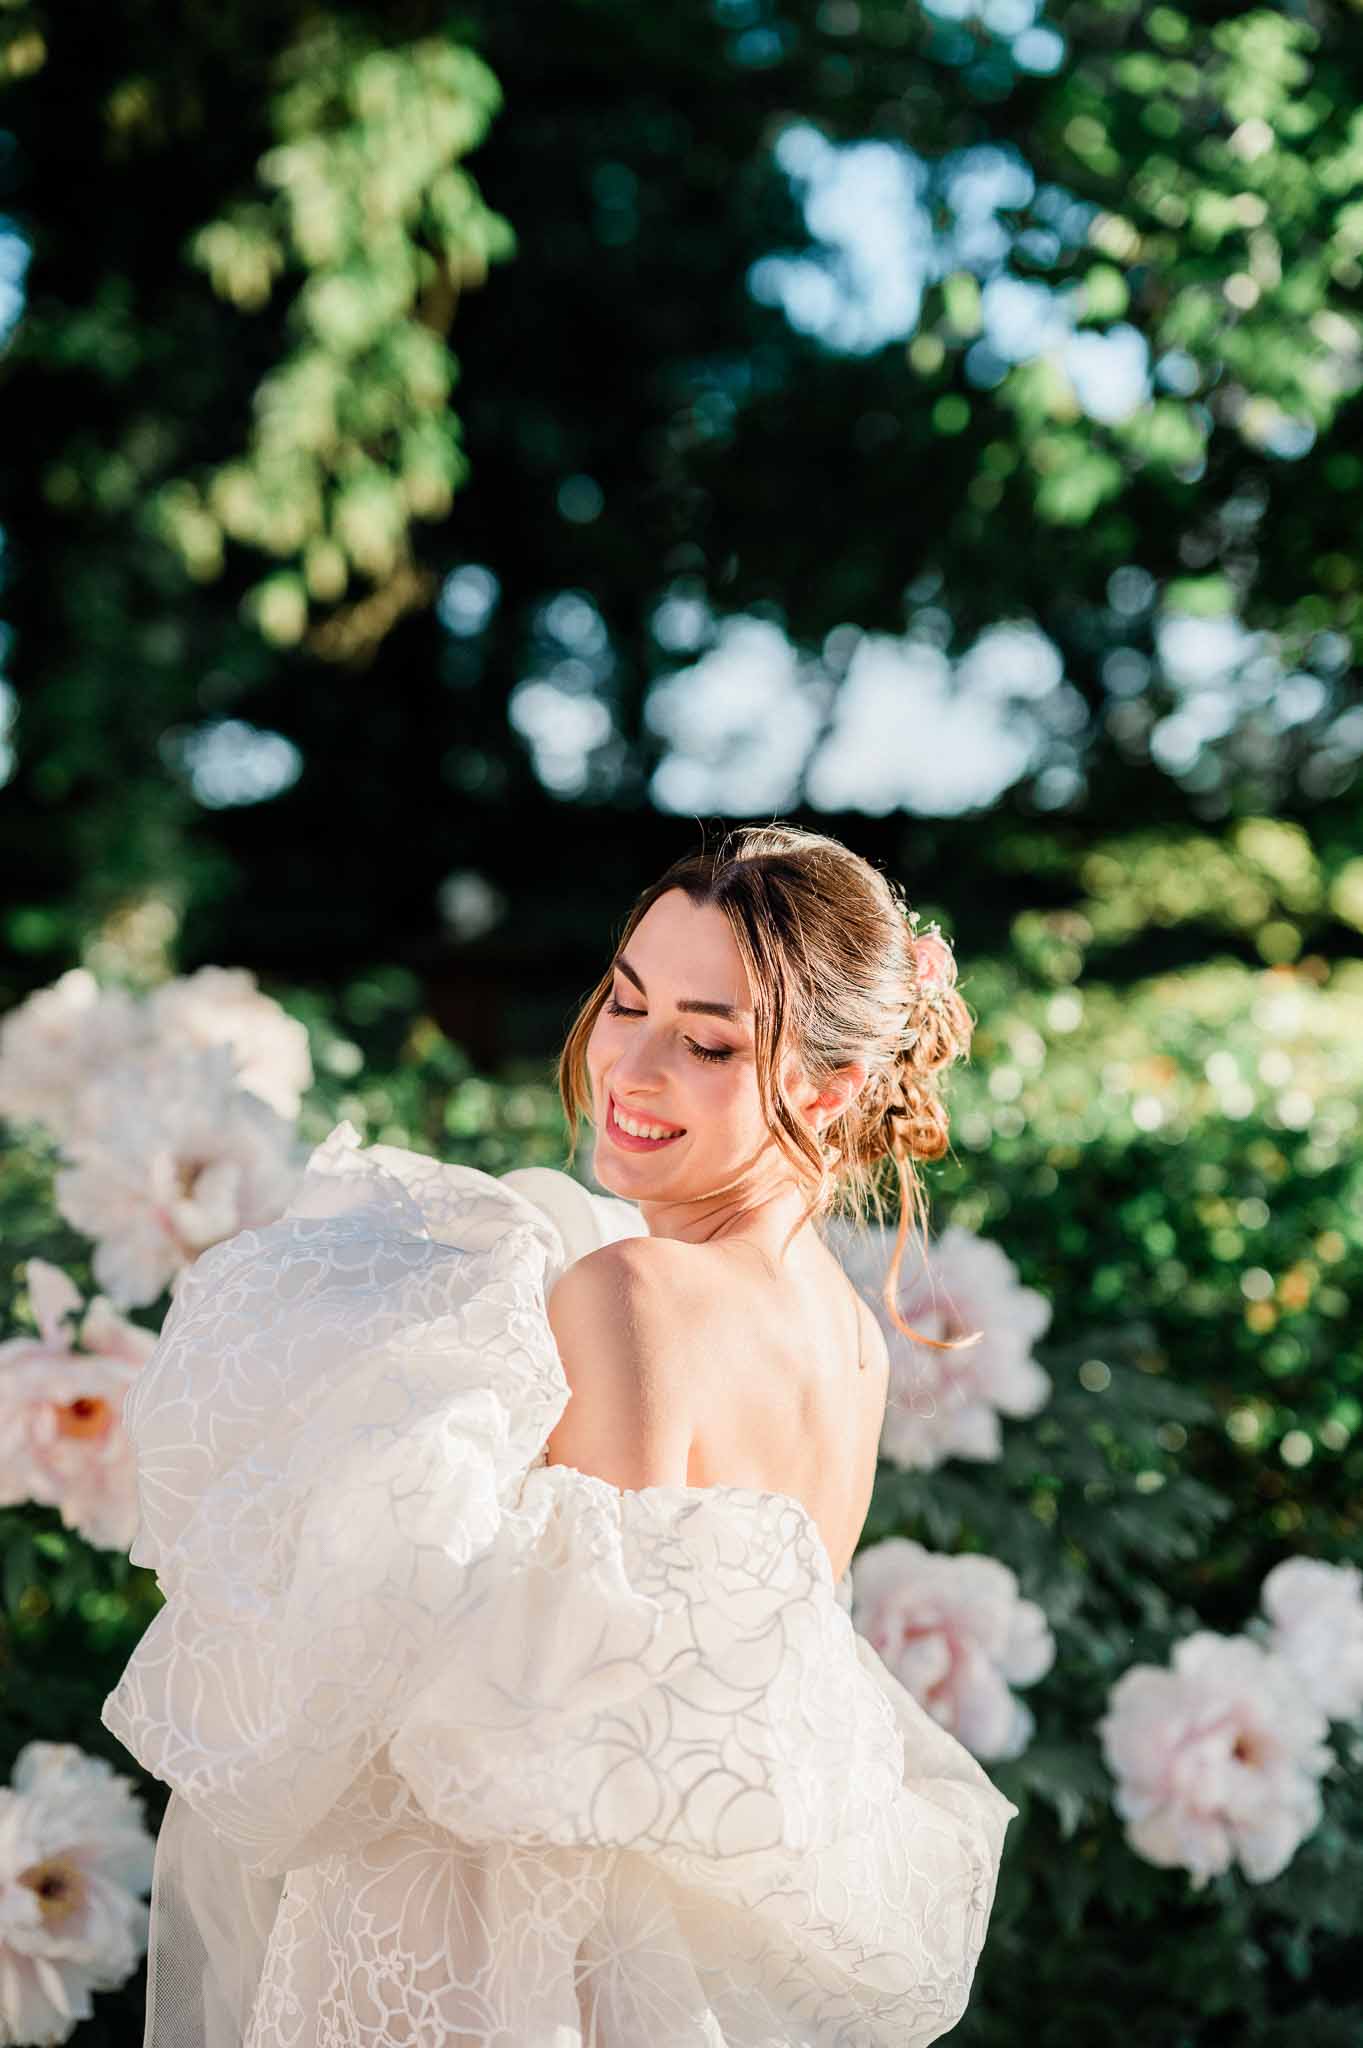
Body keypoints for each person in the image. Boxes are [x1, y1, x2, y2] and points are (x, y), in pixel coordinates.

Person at [102, 822, 1019, 2048]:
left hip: (518, 1976)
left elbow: (567, 1775)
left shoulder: (633, 1293)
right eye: (626, 1002)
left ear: (830, 1086)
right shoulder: (851, 1340)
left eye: (705, 1040)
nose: (628, 1065)